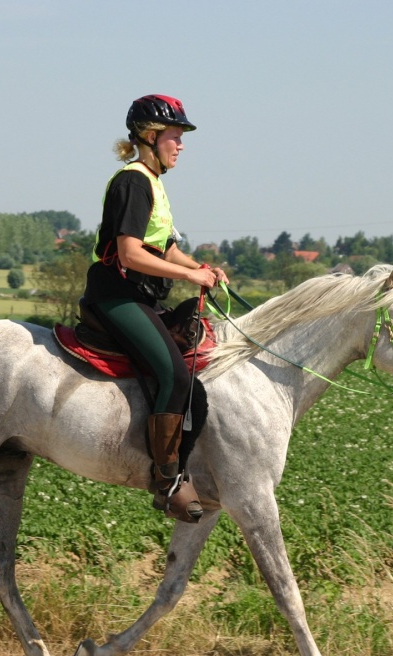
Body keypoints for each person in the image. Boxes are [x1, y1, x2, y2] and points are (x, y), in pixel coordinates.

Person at [82, 94, 229, 524]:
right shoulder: (132, 182)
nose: (181, 145)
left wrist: (200, 267)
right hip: (117, 296)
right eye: (175, 137)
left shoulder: (153, 182)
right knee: (174, 372)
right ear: (151, 136)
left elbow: (164, 245)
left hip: (141, 296)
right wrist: (189, 279)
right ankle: (167, 480)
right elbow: (129, 254)